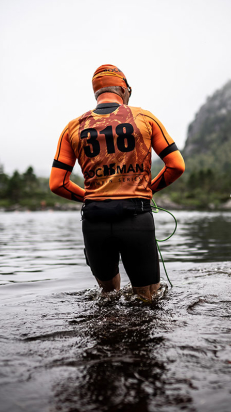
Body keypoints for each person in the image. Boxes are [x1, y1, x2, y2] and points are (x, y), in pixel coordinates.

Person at [50, 64, 185, 301]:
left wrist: (93, 197)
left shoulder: (73, 127)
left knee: (107, 297)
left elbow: (57, 184)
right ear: (124, 90)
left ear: (96, 93)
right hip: (136, 216)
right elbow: (176, 165)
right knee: (147, 299)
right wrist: (147, 190)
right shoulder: (144, 118)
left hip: (95, 220)